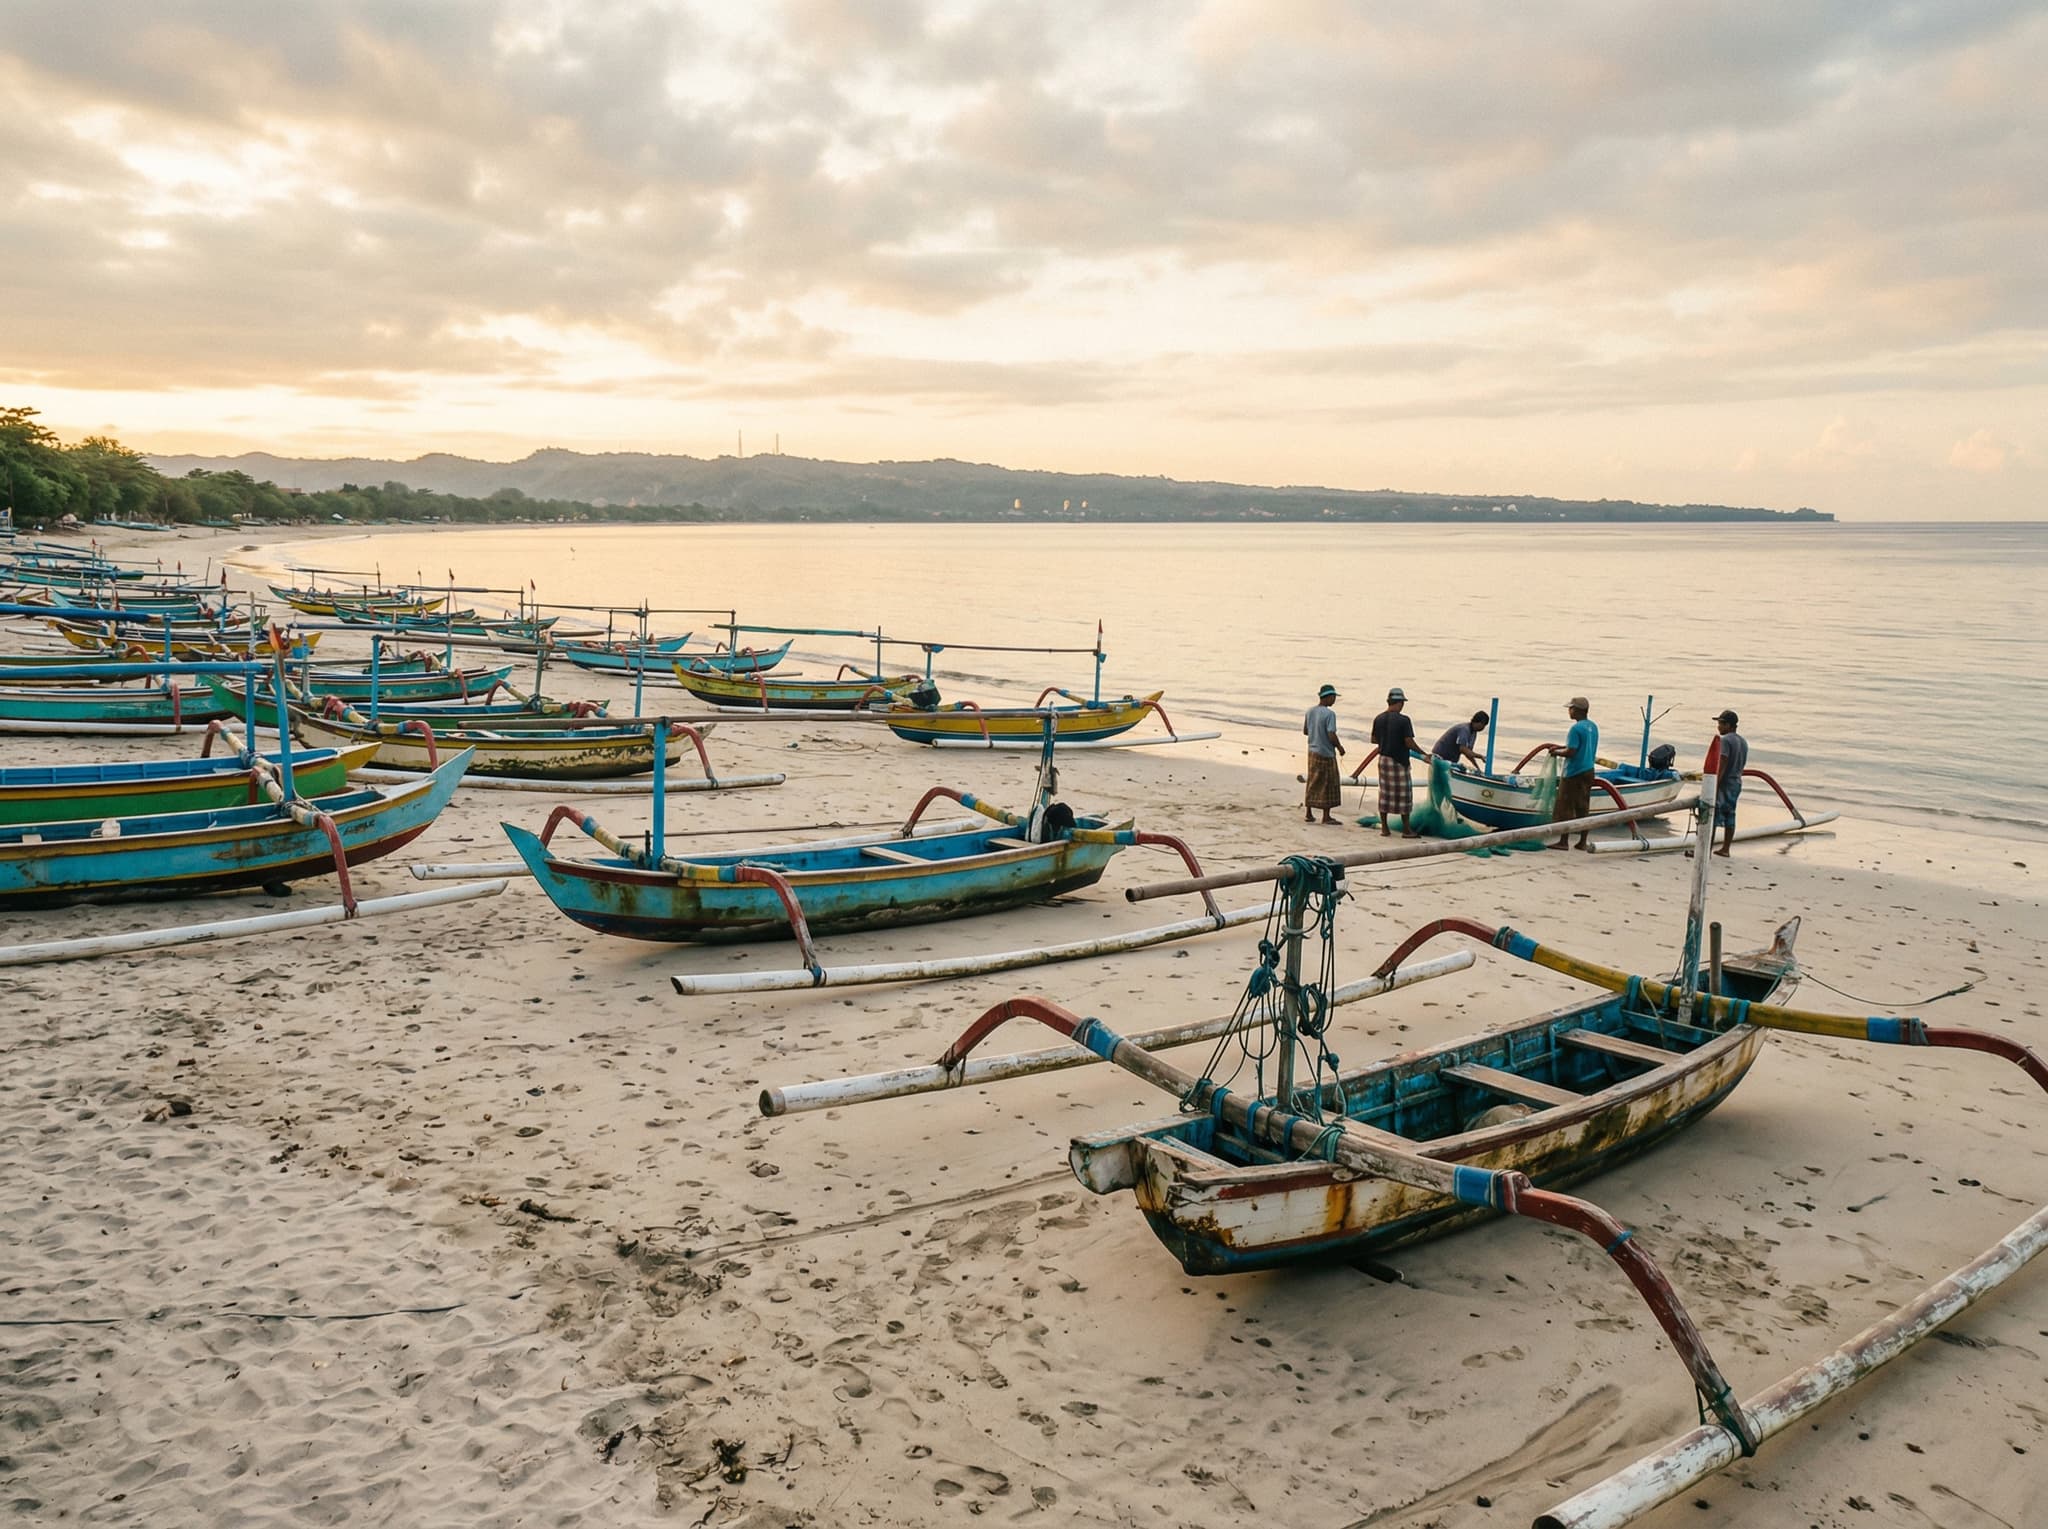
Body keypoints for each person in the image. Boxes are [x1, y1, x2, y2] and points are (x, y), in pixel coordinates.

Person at [1548, 696, 1599, 850]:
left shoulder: (1575, 729)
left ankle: (1563, 841)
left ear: (1577, 710)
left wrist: (1556, 753)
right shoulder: (1592, 726)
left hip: (1573, 772)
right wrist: (1560, 747)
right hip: (1588, 770)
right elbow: (1579, 746)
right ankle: (1582, 842)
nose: (1569, 711)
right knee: (1583, 806)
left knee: (1566, 807)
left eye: (1571, 709)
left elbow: (1571, 752)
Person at [1370, 687, 1421, 838]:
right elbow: (1408, 741)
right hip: (1399, 761)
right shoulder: (1404, 720)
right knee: (1404, 795)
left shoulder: (1378, 718)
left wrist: (1386, 740)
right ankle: (1406, 830)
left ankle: (1385, 828)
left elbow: (1374, 739)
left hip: (1383, 759)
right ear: (1399, 703)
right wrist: (1423, 753)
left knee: (1385, 793)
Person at [1704, 709, 1748, 856]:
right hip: (1736, 782)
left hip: (1725, 783)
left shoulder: (1725, 740)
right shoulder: (1743, 742)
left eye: (1721, 724)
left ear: (1729, 725)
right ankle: (1726, 848)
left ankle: (1706, 849)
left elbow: (1721, 764)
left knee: (1711, 814)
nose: (1718, 727)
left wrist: (1714, 785)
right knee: (1730, 815)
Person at [1302, 684, 1344, 825]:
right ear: (1328, 697)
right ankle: (1326, 816)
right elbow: (1331, 734)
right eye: (1333, 698)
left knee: (1313, 781)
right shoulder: (1329, 714)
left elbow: (1305, 731)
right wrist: (1339, 747)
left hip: (1312, 751)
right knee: (1329, 783)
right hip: (1326, 752)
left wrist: (1316, 733)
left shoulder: (1310, 711)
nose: (1334, 700)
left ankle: (1309, 812)